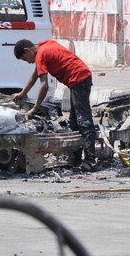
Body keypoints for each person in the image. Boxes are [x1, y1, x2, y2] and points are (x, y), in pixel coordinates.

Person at [13, 39, 96, 170]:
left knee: (84, 122)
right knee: (74, 122)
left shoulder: (40, 55)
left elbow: (44, 86)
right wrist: (23, 93)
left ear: (27, 51)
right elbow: (35, 75)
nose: (29, 62)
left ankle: (90, 161)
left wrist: (35, 108)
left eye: (25, 59)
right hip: (80, 78)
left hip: (78, 79)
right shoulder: (44, 46)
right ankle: (76, 160)